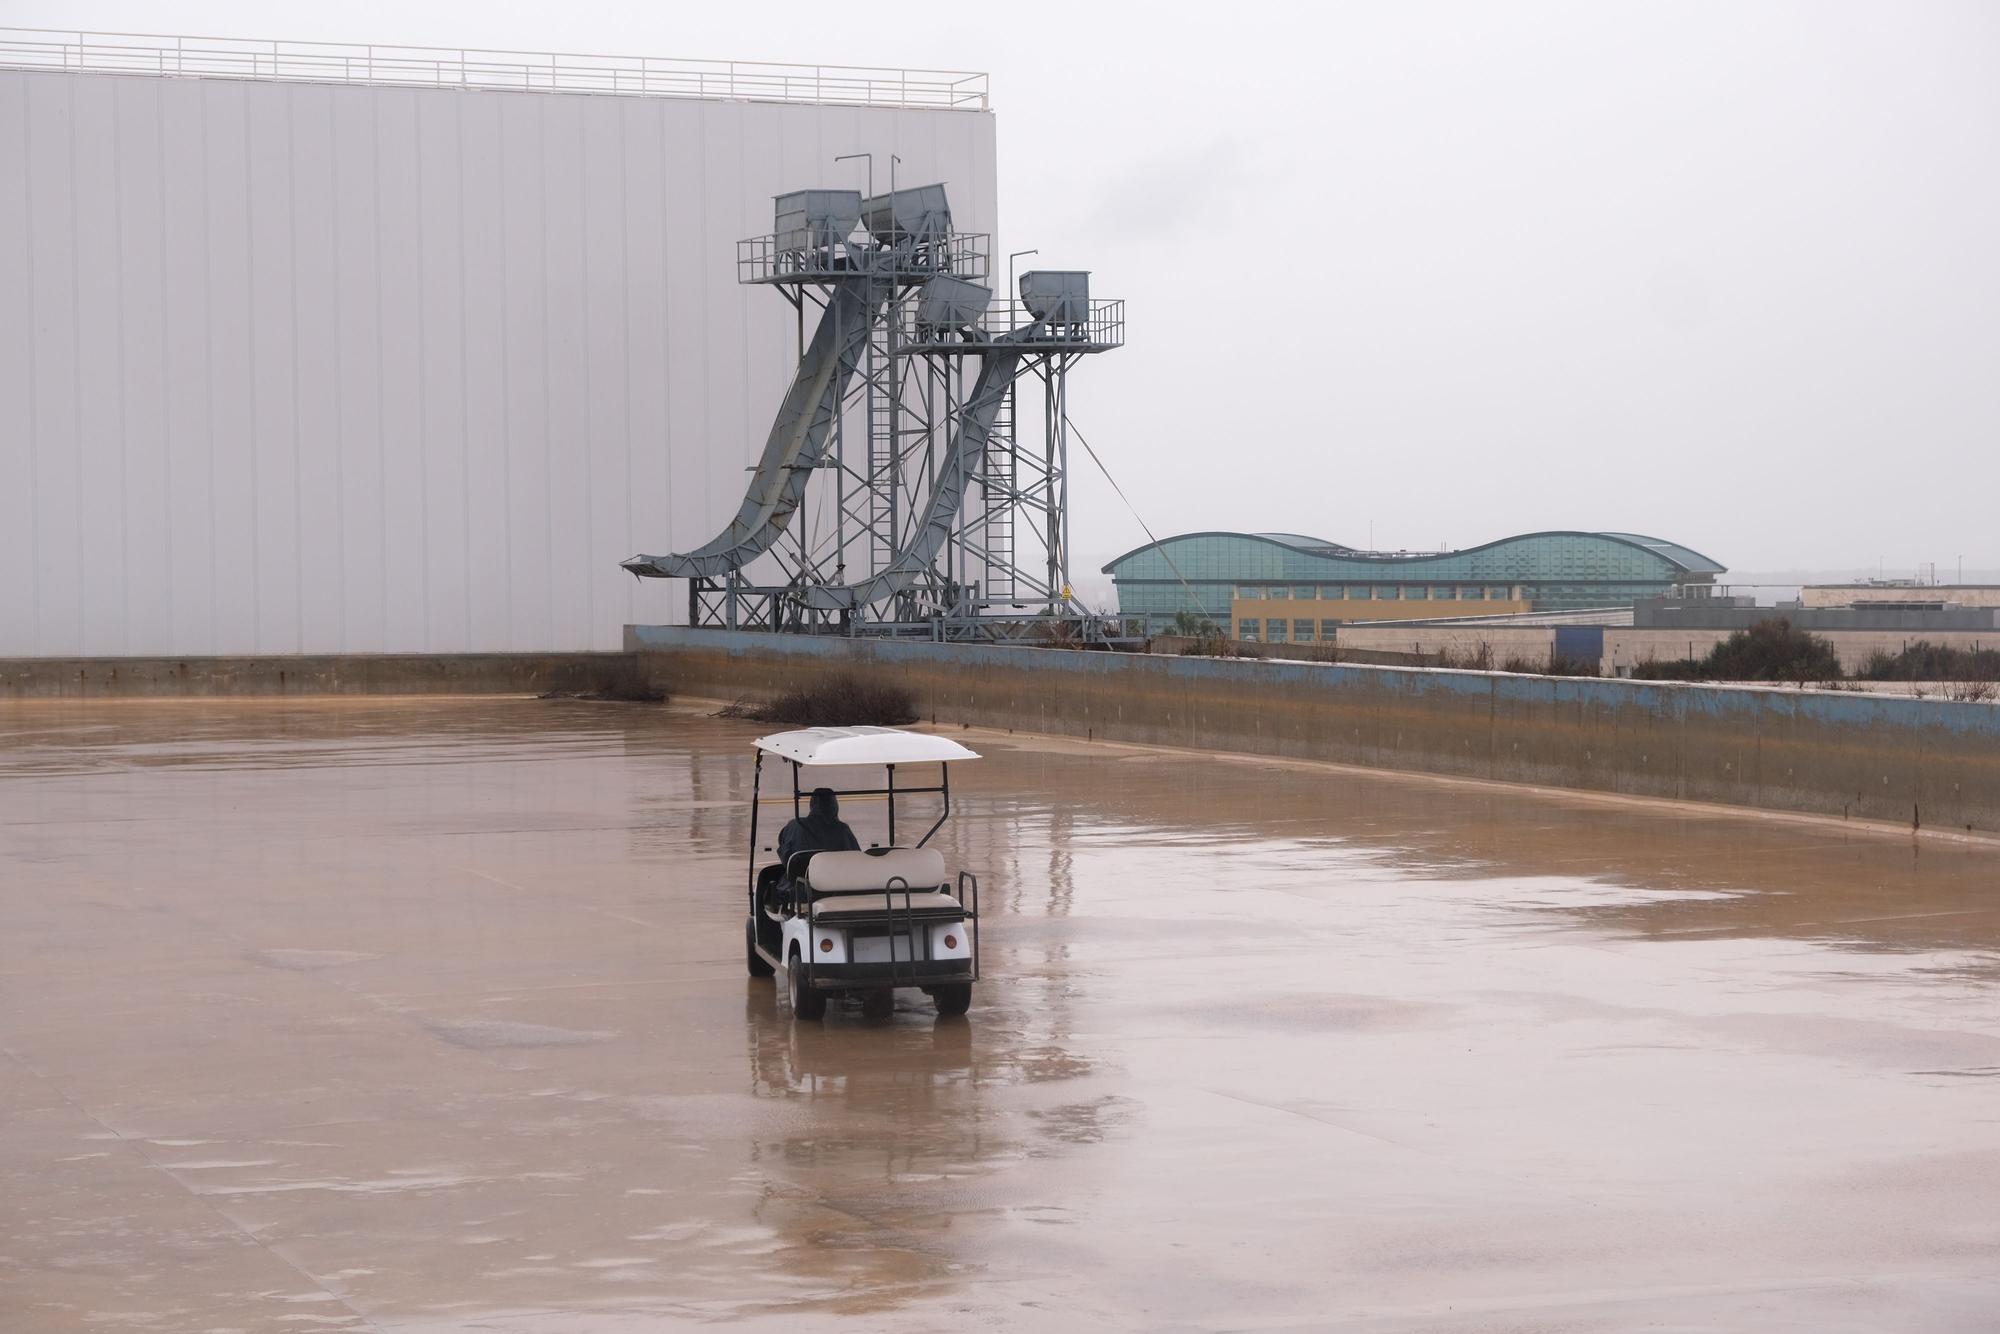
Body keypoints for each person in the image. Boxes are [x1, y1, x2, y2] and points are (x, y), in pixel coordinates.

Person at [777, 787, 860, 874]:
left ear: (812, 804)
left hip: (799, 883)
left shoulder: (795, 825)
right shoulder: (843, 829)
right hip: (839, 882)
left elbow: (784, 851)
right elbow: (856, 859)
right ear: (835, 805)